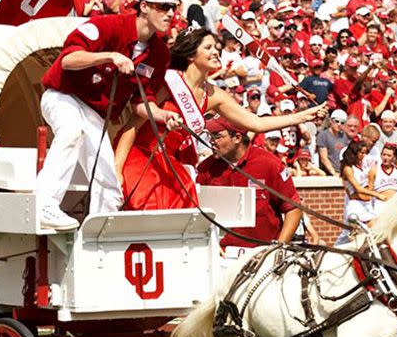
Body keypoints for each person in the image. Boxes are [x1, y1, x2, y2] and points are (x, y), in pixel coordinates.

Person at [117, 27, 326, 210]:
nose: (216, 51)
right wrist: (117, 171)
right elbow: (132, 126)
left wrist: (303, 116)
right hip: (138, 157)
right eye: (208, 48)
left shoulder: (213, 95)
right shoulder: (169, 81)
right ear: (191, 55)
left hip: (169, 164)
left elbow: (257, 123)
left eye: (216, 47)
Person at [36, 0, 181, 231]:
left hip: (95, 113)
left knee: (110, 185)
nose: (170, 14)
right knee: (72, 131)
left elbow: (140, 102)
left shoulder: (160, 53)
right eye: (162, 7)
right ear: (143, 7)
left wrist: (161, 115)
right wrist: (109, 55)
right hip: (63, 95)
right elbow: (68, 60)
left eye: (173, 8)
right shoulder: (107, 25)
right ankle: (44, 205)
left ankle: (99, 234)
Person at [196, 116, 302, 258]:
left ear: (237, 138)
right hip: (219, 257)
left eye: (217, 136)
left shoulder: (269, 164)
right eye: (210, 136)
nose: (211, 142)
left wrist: (277, 249)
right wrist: (210, 246)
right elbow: (196, 214)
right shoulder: (205, 169)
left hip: (262, 259)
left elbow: (293, 208)